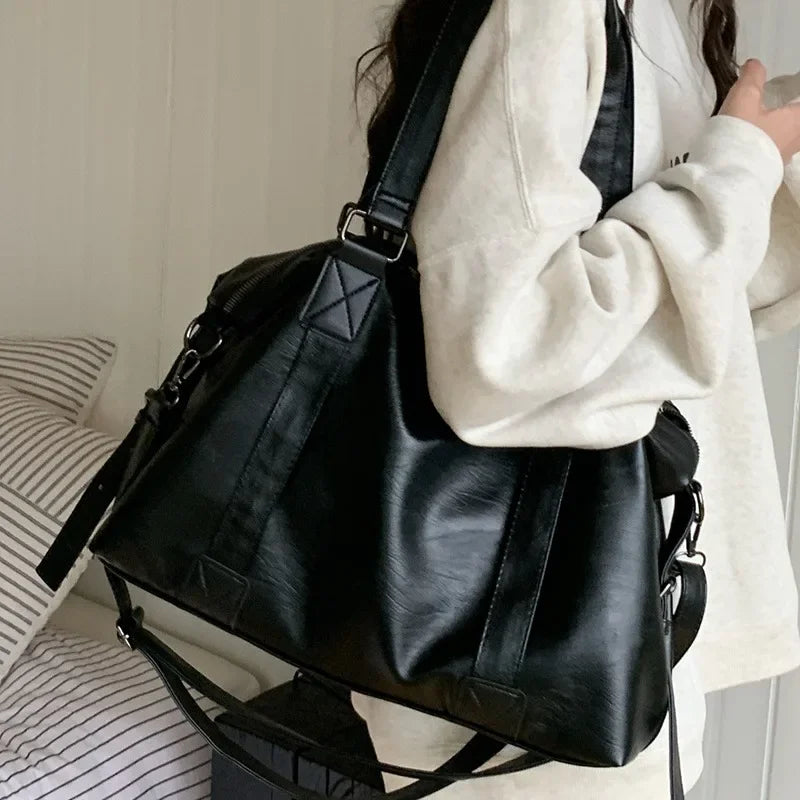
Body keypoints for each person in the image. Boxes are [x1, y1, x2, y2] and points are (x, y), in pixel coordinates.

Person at [351, 0, 800, 797]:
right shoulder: (550, 9)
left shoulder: (652, 12)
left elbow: (674, 322)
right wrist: (735, 170)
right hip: (535, 647)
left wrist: (758, 170)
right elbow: (502, 349)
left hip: (606, 618)